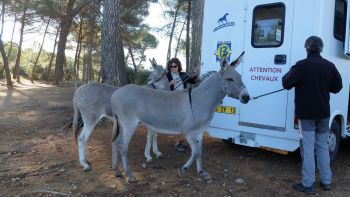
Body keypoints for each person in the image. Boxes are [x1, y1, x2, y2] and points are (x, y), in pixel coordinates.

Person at [282, 36, 342, 195]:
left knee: (307, 148)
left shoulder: (301, 66)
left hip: (306, 116)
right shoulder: (330, 66)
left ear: (307, 48)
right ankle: (326, 181)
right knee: (322, 146)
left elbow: (285, 83)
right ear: (321, 49)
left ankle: (308, 184)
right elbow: (338, 87)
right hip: (323, 114)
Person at [166, 57, 197, 152]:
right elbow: (162, 86)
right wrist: (170, 83)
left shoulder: (183, 74)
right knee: (177, 122)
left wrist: (195, 74)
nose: (173, 68)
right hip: (172, 101)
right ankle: (177, 143)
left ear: (178, 66)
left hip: (183, 100)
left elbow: (193, 81)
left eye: (174, 66)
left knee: (184, 122)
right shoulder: (167, 75)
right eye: (171, 67)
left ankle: (181, 141)